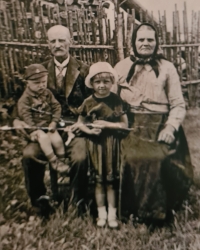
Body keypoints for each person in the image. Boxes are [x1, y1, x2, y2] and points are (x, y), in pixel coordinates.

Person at [114, 23, 193, 222]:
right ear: (133, 42)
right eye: (141, 39)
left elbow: (178, 104)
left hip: (160, 122)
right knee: (130, 156)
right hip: (132, 122)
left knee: (156, 158)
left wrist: (170, 127)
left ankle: (155, 213)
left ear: (157, 42)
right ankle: (131, 210)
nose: (146, 43)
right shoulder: (121, 67)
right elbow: (112, 101)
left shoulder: (167, 68)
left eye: (150, 39)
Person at [13, 25, 90, 217]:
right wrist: (16, 120)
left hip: (75, 128)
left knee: (80, 157)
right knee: (30, 155)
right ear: (48, 44)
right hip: (44, 129)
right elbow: (23, 101)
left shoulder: (85, 70)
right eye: (53, 41)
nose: (57, 45)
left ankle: (78, 201)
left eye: (62, 40)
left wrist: (83, 122)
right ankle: (40, 203)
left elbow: (94, 102)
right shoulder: (38, 71)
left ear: (70, 42)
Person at [77, 62, 128, 228]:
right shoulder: (88, 102)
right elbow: (80, 123)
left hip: (111, 144)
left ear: (112, 82)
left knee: (111, 180)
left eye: (106, 81)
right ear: (91, 84)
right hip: (96, 144)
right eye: (97, 82)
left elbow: (124, 125)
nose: (102, 85)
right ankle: (101, 214)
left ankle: (112, 215)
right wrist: (89, 131)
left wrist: (107, 125)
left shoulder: (116, 101)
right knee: (99, 181)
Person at [17, 64, 69, 173]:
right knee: (44, 139)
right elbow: (26, 116)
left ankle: (62, 161)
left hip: (48, 125)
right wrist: (34, 130)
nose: (41, 85)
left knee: (57, 140)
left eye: (44, 82)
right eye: (37, 83)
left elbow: (56, 106)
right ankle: (54, 161)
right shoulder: (25, 100)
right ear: (27, 83)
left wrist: (54, 122)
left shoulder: (47, 93)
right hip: (35, 129)